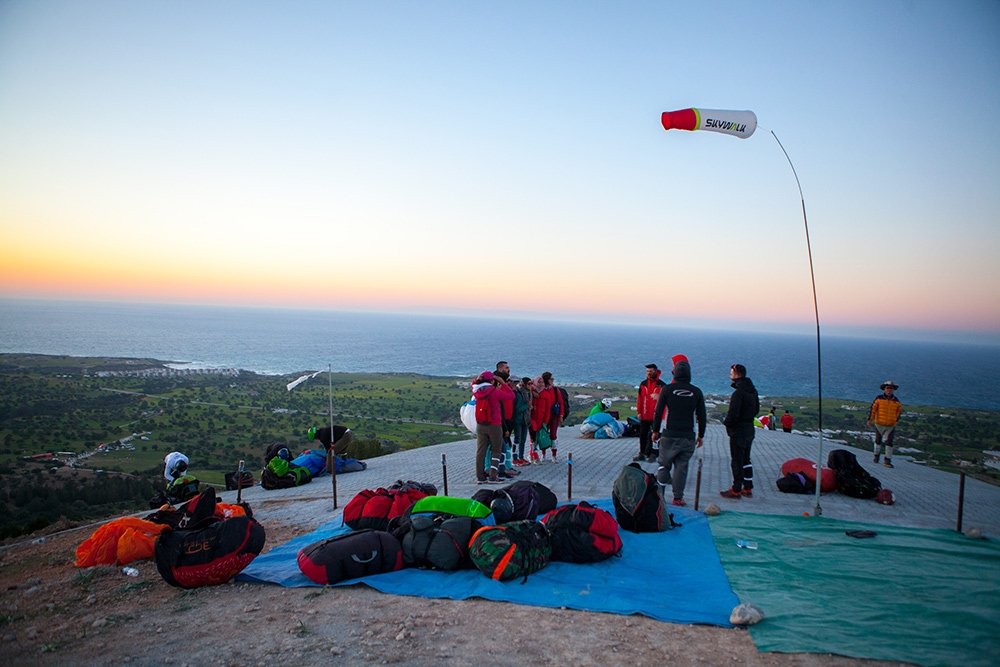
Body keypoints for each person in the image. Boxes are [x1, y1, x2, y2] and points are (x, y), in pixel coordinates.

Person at [650, 356, 706, 507]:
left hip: (669, 434)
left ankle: (660, 494)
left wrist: (655, 431)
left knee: (663, 464)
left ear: (674, 372)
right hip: (688, 435)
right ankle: (678, 498)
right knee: (681, 467)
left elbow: (658, 411)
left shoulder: (667, 390)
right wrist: (701, 435)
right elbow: (702, 415)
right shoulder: (697, 392)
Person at [721, 363, 760, 499]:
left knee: (736, 460)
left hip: (738, 431)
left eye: (731, 373)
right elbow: (756, 410)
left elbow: (733, 413)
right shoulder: (753, 391)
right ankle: (748, 487)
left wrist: (727, 423)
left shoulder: (738, 393)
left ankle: (736, 489)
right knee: (746, 459)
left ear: (737, 375)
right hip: (749, 429)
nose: (730, 375)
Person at [473, 370, 514, 483]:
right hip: (494, 425)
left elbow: (474, 383)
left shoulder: (476, 391)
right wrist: (503, 383)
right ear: (492, 381)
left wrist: (477, 379)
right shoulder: (495, 392)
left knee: (481, 451)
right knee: (496, 450)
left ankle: (480, 477)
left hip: (481, 424)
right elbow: (511, 395)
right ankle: (493, 476)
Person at [635, 363, 666, 463]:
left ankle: (654, 453)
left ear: (656, 371)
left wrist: (659, 397)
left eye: (651, 371)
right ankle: (642, 453)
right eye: (647, 371)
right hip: (644, 414)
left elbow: (666, 401)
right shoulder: (643, 384)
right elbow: (640, 399)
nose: (649, 373)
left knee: (656, 435)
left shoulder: (662, 385)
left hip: (656, 415)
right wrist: (639, 412)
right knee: (642, 434)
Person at [868, 381, 902, 468]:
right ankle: (876, 455)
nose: (889, 390)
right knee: (878, 441)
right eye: (887, 388)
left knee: (889, 442)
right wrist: (870, 420)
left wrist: (895, 421)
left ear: (893, 389)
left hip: (890, 425)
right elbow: (873, 409)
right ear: (884, 389)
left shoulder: (896, 401)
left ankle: (887, 460)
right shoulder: (879, 399)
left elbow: (899, 412)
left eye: (891, 388)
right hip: (879, 423)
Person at [512, 376, 533, 465]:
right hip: (519, 420)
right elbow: (517, 409)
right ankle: (515, 458)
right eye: (529, 384)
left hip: (525, 420)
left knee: (523, 440)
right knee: (517, 439)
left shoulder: (529, 393)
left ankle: (521, 457)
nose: (530, 385)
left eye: (532, 383)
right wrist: (527, 406)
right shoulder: (519, 394)